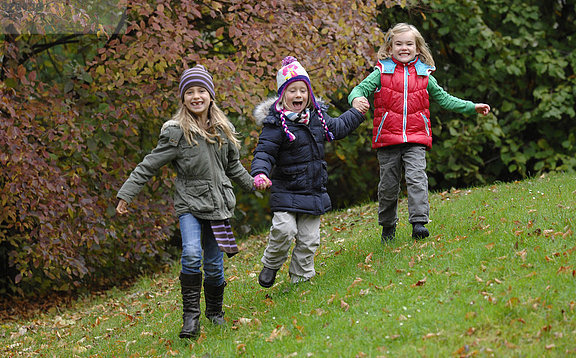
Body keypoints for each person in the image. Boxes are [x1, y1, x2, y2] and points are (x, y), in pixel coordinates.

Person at [115, 65, 254, 338]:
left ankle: (215, 313)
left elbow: (234, 167)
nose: (196, 96)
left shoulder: (223, 131)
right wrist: (126, 193)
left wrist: (255, 184)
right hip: (190, 204)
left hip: (218, 206)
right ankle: (191, 318)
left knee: (214, 265)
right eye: (190, 92)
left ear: (210, 95)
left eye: (201, 90)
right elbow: (149, 165)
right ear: (183, 99)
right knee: (191, 254)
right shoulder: (176, 133)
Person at [348, 23, 491, 242]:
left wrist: (472, 107)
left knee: (417, 179)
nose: (404, 48)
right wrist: (357, 99)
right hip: (387, 139)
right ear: (390, 48)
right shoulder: (381, 72)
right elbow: (359, 90)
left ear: (417, 48)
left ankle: (419, 224)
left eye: (409, 44)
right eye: (398, 44)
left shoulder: (424, 75)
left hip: (416, 137)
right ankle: (388, 227)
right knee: (388, 187)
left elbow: (445, 99)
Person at [251, 56, 366, 288]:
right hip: (286, 190)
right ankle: (271, 264)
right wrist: (260, 173)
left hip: (313, 190)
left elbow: (339, 128)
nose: (298, 95)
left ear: (309, 94)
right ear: (283, 95)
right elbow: (264, 152)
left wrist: (356, 112)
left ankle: (301, 280)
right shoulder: (275, 124)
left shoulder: (318, 119)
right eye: (292, 90)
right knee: (284, 229)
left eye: (303, 90)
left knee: (309, 240)